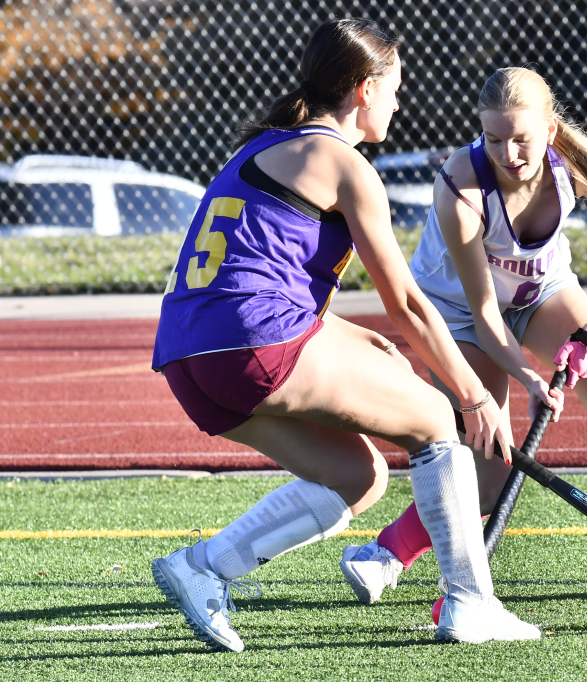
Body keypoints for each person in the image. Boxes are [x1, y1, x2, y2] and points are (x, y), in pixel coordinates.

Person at [149, 21, 540, 652]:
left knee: (357, 477)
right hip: (253, 343)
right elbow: (408, 303)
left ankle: (204, 568)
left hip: (186, 358)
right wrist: (474, 395)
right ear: (363, 89)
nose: (398, 103)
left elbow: (248, 274)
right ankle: (471, 604)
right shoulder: (347, 166)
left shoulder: (259, 148)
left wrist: (347, 332)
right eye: (393, 89)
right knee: (437, 419)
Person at [341, 67, 587, 605]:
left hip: (542, 292)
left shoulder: (579, 161)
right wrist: (531, 378)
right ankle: (387, 552)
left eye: (522, 140)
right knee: (489, 473)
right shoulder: (460, 186)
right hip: (459, 313)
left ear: (550, 131)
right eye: (494, 139)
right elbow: (486, 315)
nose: (508, 153)